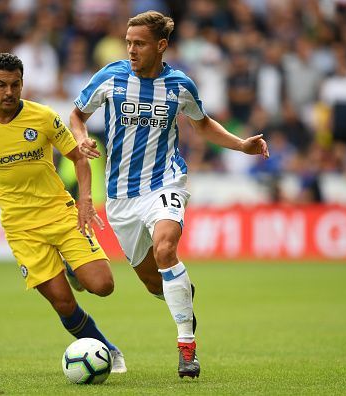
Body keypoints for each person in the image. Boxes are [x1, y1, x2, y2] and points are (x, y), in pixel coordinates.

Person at [69, 11, 269, 378]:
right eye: (128, 42)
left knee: (165, 249)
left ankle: (186, 347)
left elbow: (202, 123)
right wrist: (81, 138)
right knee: (151, 280)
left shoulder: (179, 85)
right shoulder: (110, 77)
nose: (131, 49)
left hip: (165, 181)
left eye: (139, 43)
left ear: (161, 45)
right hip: (120, 196)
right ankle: (179, 294)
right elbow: (77, 115)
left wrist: (241, 145)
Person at [0, 53, 126, 373]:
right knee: (63, 303)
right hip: (21, 226)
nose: (9, 92)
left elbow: (79, 158)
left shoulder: (44, 117)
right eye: (1, 85)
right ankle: (108, 349)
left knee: (103, 285)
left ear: (23, 84)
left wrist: (86, 201)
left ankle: (73, 268)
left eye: (15, 85)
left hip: (59, 212)